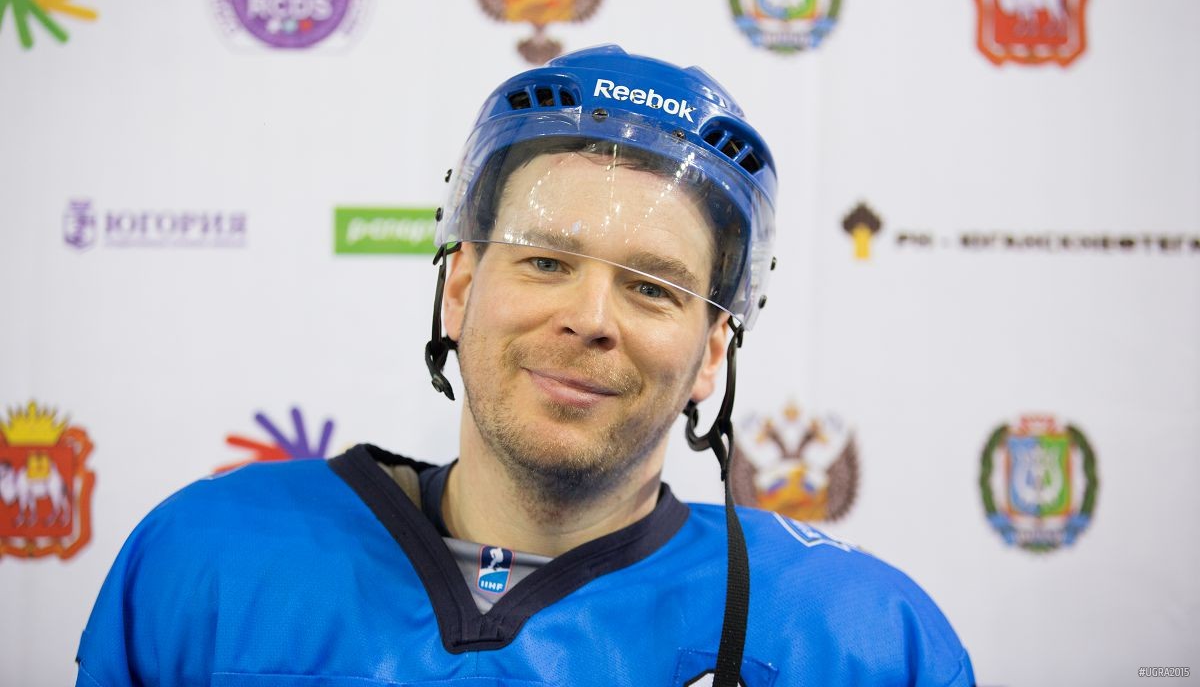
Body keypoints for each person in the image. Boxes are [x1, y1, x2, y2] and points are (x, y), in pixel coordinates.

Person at [74, 46, 975, 687]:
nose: (589, 319)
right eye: (545, 261)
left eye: (652, 288)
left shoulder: (855, 640)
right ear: (461, 289)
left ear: (712, 353)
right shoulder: (210, 560)